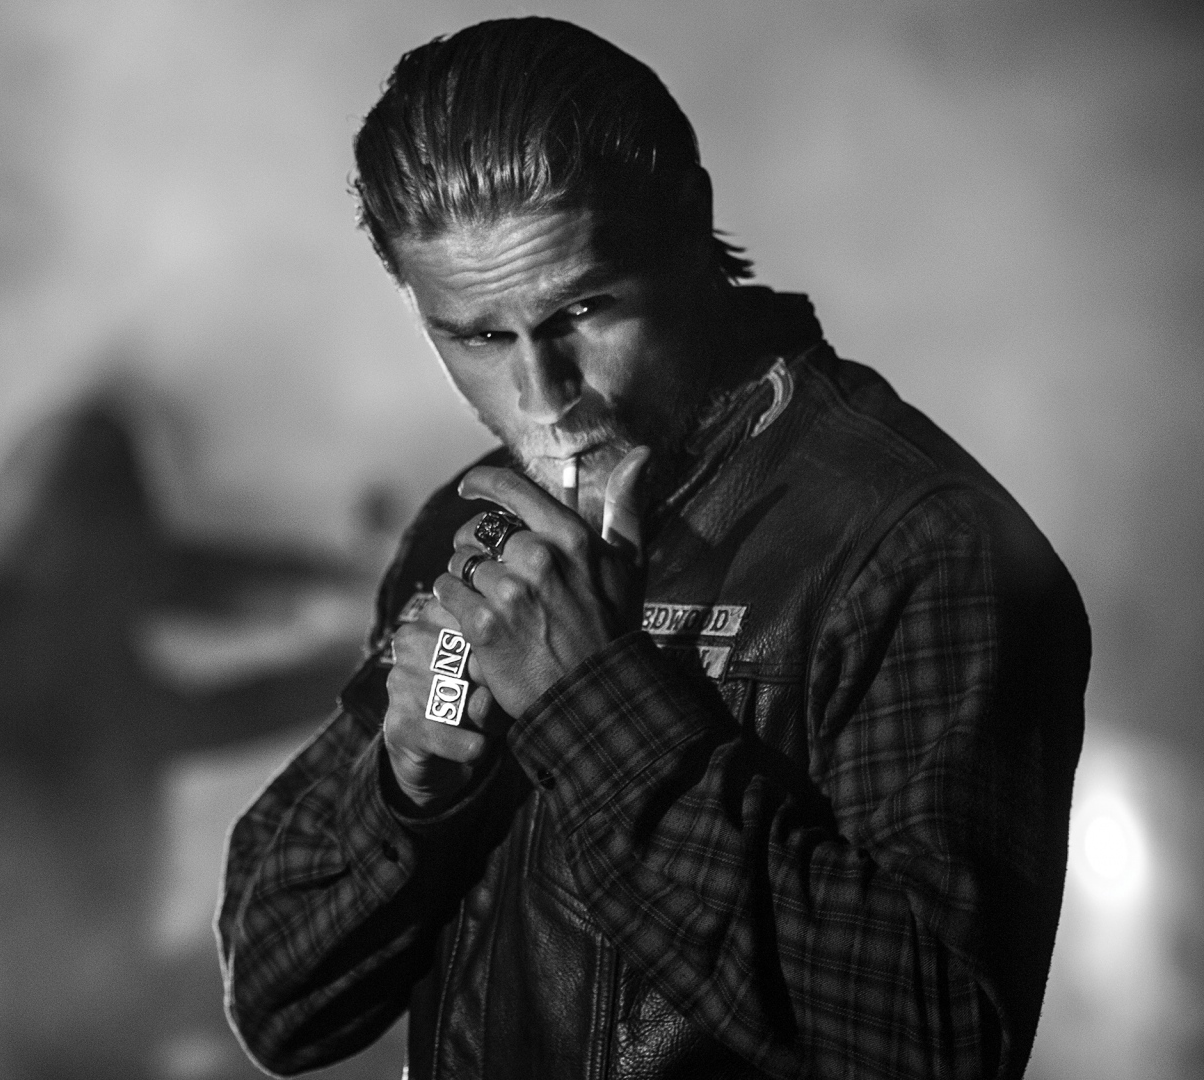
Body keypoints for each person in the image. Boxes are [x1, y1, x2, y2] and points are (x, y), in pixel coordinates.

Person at [217, 17, 1088, 1080]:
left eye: (583, 309)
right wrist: (407, 789)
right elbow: (277, 1002)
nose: (543, 396)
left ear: (691, 224)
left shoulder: (914, 546)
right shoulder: (477, 523)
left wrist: (588, 704)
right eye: (479, 337)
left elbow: (938, 1045)